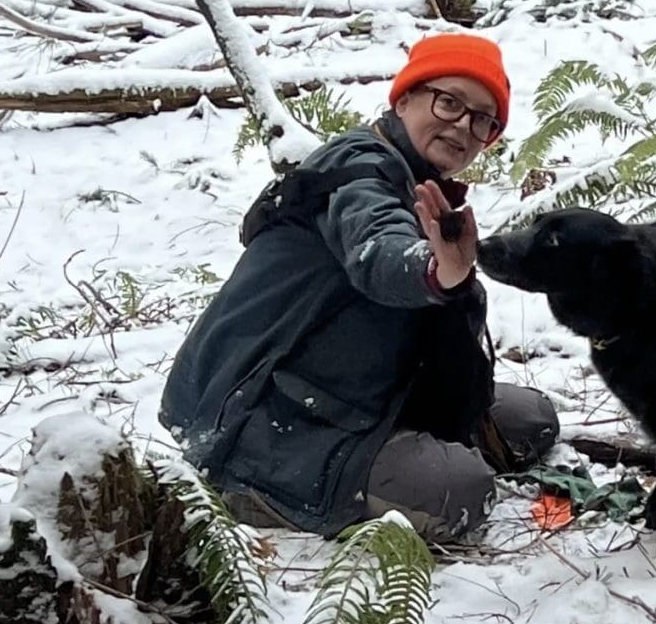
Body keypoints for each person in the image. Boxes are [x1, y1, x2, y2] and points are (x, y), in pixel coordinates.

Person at [159, 33, 559, 541]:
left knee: (533, 420)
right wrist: (436, 269)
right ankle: (253, 491)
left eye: (483, 119)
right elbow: (378, 250)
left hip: (358, 388)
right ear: (405, 97)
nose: (463, 126)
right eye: (450, 101)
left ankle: (405, 442)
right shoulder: (358, 172)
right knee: (462, 492)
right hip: (259, 413)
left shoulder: (414, 178)